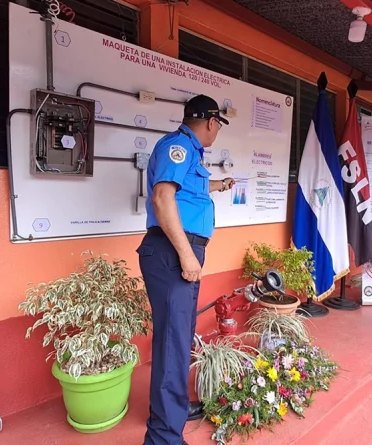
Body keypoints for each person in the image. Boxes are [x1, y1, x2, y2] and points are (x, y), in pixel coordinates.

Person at [138, 94, 235, 445]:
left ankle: (172, 411)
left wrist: (219, 186)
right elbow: (163, 198)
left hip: (179, 252)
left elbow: (187, 189)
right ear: (212, 122)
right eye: (218, 125)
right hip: (171, 252)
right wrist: (186, 254)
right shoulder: (178, 146)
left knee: (178, 338)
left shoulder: (191, 153)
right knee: (173, 343)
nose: (217, 131)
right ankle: (163, 437)